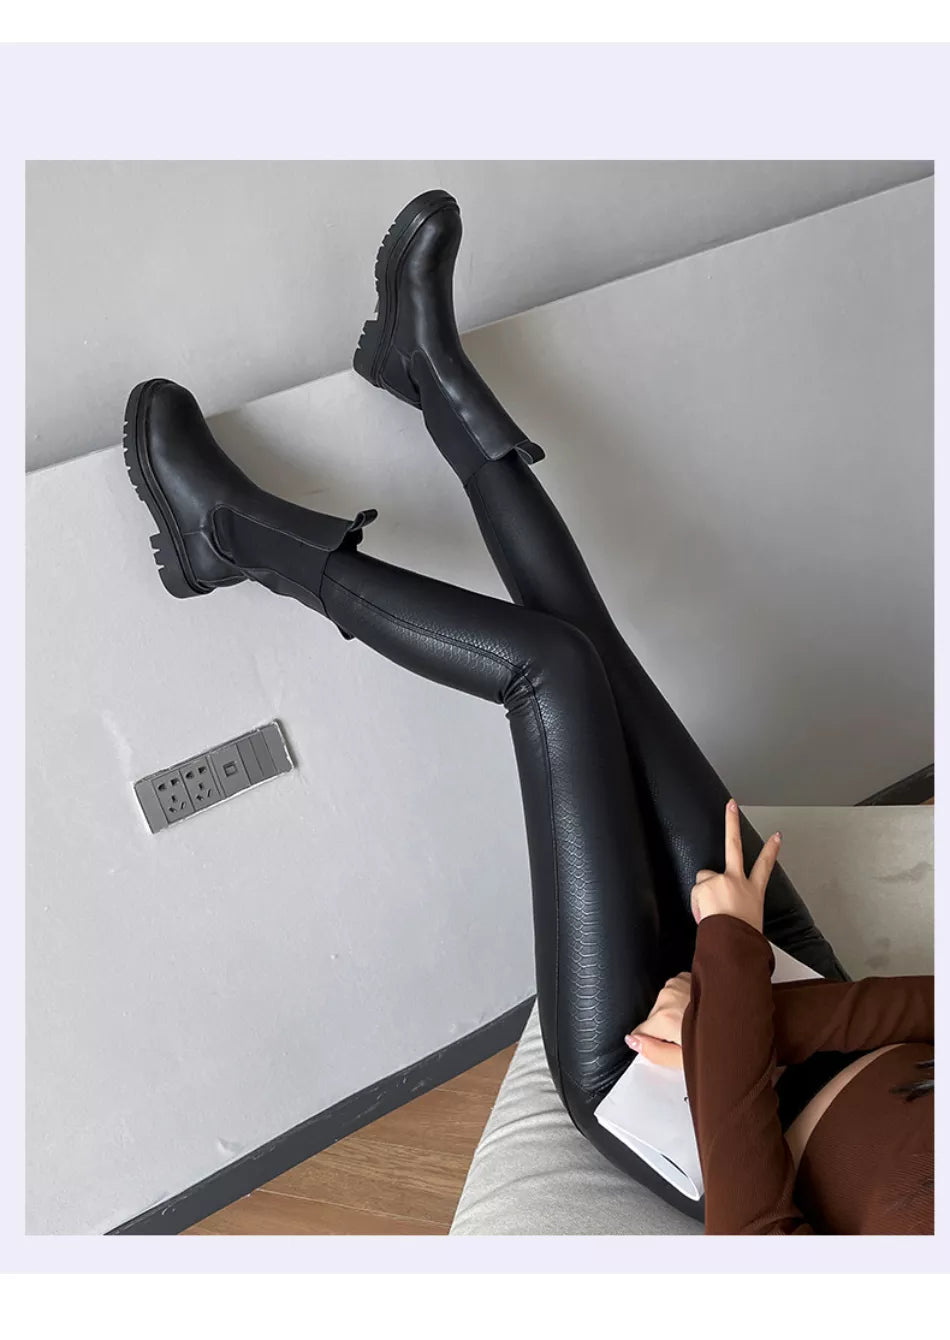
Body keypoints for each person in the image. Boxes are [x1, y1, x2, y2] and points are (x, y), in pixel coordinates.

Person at [122, 189, 933, 1234]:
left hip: (667, 1091)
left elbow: (755, 1233)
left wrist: (728, 990)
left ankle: (234, 538)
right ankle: (425, 370)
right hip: (791, 990)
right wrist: (750, 1001)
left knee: (545, 670)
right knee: (588, 649)